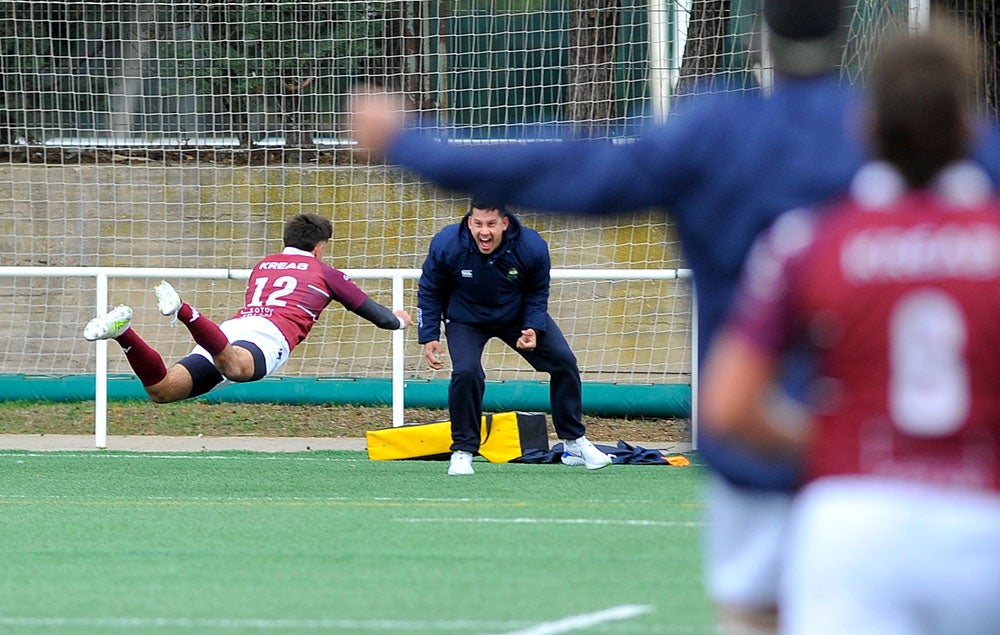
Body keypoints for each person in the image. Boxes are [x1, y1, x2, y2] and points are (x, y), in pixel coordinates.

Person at [350, 1, 1000, 631]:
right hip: (944, 474)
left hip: (765, 466)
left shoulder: (722, 140)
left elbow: (578, 171)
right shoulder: (942, 148)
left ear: (759, 33)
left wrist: (416, 144)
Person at [701, 30, 1000, 634]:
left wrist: (830, 440)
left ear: (865, 126)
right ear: (971, 127)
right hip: (983, 528)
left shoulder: (810, 242)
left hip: (854, 527)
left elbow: (729, 407)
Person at [83, 212, 412, 403]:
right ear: (320, 247)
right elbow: (377, 316)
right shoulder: (324, 272)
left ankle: (124, 333)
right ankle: (185, 311)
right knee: (237, 369)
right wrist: (399, 321)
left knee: (163, 390)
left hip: (231, 331)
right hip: (265, 338)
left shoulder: (264, 265)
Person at [418, 198, 611, 476]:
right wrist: (429, 335)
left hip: (516, 316)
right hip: (466, 318)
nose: (484, 231)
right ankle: (463, 451)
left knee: (564, 362)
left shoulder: (531, 246)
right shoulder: (447, 243)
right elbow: (430, 290)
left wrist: (532, 326)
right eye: (478, 223)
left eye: (491, 224)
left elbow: (537, 291)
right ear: (470, 221)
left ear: (504, 223)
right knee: (466, 372)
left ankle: (574, 444)